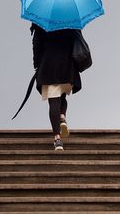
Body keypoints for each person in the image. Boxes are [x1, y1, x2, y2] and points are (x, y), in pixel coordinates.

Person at [31, 23, 82, 151]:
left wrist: (36, 64)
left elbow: (36, 46)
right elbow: (77, 41)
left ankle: (57, 139)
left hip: (48, 65)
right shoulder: (70, 21)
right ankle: (62, 117)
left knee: (53, 100)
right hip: (67, 66)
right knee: (62, 95)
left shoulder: (40, 22)